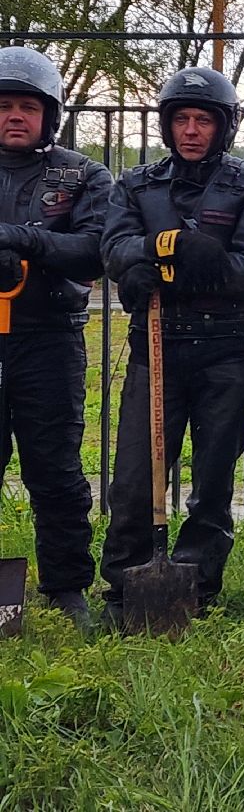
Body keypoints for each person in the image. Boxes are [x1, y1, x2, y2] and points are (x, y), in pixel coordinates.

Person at [100, 66, 244, 621]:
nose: (192, 130)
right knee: (134, 477)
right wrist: (166, 253)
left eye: (204, 120)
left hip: (226, 352)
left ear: (224, 127)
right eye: (182, 119)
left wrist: (167, 262)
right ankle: (125, 585)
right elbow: (114, 248)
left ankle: (196, 585)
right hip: (155, 348)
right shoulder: (136, 185)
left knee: (213, 480)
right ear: (167, 125)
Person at [0, 47, 111, 626]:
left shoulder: (82, 174)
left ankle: (67, 586)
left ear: (50, 114)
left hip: (49, 339)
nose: (14, 116)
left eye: (26, 106)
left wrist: (26, 241)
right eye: (4, 106)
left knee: (56, 468)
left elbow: (95, 248)